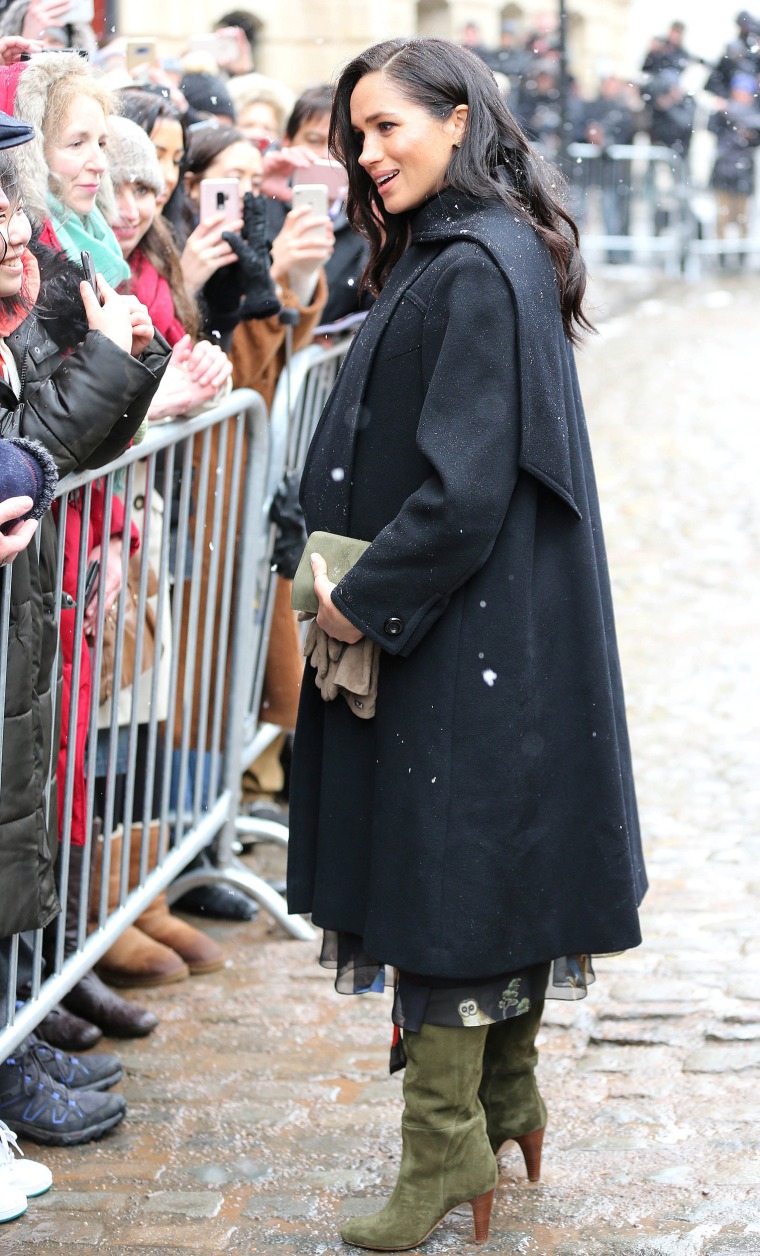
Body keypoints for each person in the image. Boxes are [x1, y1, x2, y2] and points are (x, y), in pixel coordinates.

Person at [287, 36, 646, 1252]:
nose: (367, 152)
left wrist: (355, 603)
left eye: (387, 127)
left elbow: (461, 492)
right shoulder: (479, 249)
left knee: (449, 880)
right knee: (491, 863)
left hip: (461, 631)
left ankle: (441, 1151)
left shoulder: (476, 265)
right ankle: (506, 1098)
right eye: (357, 135)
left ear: (457, 121)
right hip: (493, 630)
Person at [0, 48, 172, 1042]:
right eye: (80, 145)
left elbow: (61, 443)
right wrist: (113, 358)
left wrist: (133, 365)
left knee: (41, 786)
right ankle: (29, 1006)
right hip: (43, 564)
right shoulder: (47, 275)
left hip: (49, 574)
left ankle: (43, 982)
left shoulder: (76, 263)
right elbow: (27, 455)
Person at [708, 73, 760, 257]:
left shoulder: (750, 112)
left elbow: (755, 129)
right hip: (723, 170)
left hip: (743, 172)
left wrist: (730, 110)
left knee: (743, 217)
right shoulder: (721, 114)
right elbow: (712, 127)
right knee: (722, 217)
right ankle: (722, 255)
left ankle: (741, 255)